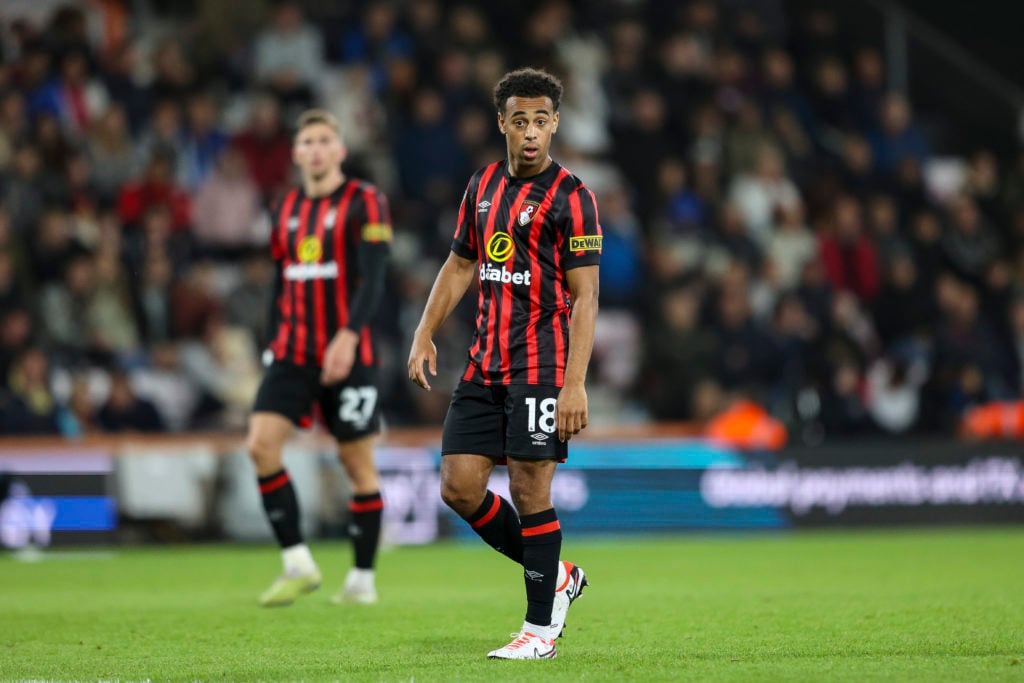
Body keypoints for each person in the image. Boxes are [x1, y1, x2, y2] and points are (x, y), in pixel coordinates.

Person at [408, 68, 601, 660]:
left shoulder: (573, 198)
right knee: (458, 487)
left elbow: (586, 296)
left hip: (542, 367)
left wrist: (574, 384)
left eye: (541, 121)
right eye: (520, 121)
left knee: (528, 486)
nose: (531, 132)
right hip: (485, 364)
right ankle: (559, 576)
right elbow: (460, 264)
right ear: (502, 124)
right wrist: (424, 331)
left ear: (555, 124)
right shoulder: (483, 185)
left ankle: (539, 631)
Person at [248, 109, 391, 607]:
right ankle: (298, 563)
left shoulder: (365, 201)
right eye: (306, 140)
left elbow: (375, 278)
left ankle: (362, 579)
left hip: (349, 352)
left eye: (325, 139)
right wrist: (270, 344)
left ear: (340, 150)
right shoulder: (283, 208)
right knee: (260, 445)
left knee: (356, 461)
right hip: (292, 351)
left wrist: (349, 335)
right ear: (295, 152)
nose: (315, 148)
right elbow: (279, 281)